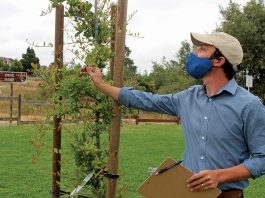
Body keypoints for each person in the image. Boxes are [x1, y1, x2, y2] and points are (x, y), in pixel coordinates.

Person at [80, 32, 265, 198]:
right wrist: (101, 85)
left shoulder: (249, 106)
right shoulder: (188, 97)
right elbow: (147, 100)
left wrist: (219, 176)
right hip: (186, 193)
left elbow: (262, 158)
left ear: (218, 61)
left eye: (202, 49)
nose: (193, 53)